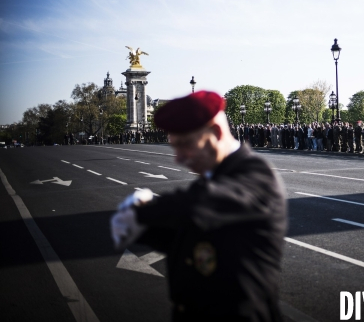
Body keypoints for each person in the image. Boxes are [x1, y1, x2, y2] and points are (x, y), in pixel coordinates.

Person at [110, 91, 287, 321]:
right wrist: (142, 231)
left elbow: (198, 204)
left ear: (215, 132)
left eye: (185, 144)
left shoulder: (256, 173)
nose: (178, 158)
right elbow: (187, 238)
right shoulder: (215, 179)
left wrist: (142, 213)